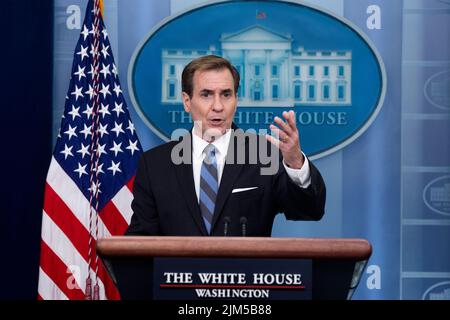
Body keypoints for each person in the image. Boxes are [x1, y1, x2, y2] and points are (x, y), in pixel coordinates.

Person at [125, 55, 326, 236]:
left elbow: (310, 210)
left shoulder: (264, 156)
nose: (218, 106)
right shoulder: (155, 165)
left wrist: (295, 161)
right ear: (187, 101)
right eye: (206, 94)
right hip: (176, 276)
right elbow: (141, 241)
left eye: (226, 94)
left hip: (247, 276)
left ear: (236, 100)